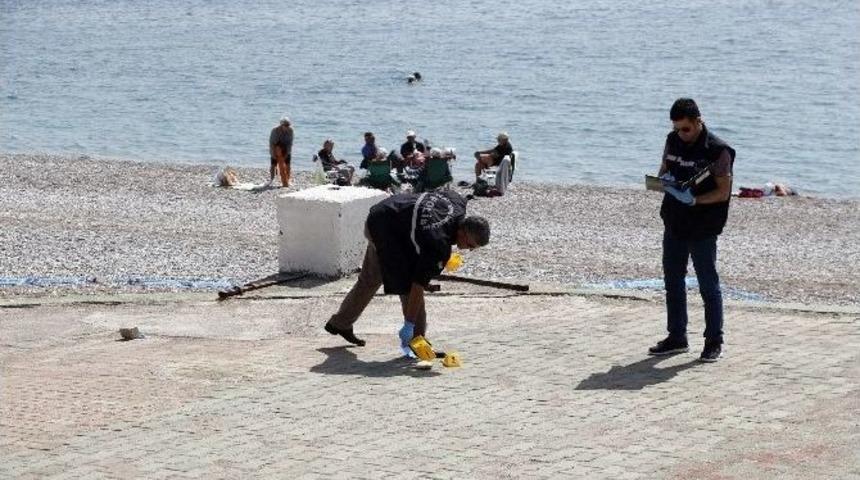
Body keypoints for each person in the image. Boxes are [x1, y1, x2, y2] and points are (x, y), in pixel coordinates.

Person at [324, 190, 490, 354]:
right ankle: (417, 342)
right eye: (470, 245)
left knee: (371, 279)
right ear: (462, 231)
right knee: (408, 288)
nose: (468, 250)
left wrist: (424, 276)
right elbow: (417, 284)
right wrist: (409, 324)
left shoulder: (457, 201)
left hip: (384, 214)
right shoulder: (439, 244)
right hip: (386, 231)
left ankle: (340, 323)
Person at [649, 98, 735, 362]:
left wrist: (696, 199)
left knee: (708, 283)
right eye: (677, 129)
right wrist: (665, 181)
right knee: (672, 280)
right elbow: (664, 169)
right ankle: (677, 337)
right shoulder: (672, 140)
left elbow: (723, 192)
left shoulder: (718, 151)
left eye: (685, 129)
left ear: (699, 121)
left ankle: (713, 341)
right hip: (675, 220)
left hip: (703, 225)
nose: (681, 134)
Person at [268, 116, 293, 187]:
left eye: (288, 125)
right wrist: (273, 154)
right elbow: (272, 143)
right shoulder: (274, 131)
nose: (287, 127)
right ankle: (272, 179)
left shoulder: (291, 131)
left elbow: (290, 143)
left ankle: (288, 179)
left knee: (288, 165)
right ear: (281, 125)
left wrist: (287, 153)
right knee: (273, 165)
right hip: (275, 148)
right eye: (285, 125)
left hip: (286, 148)